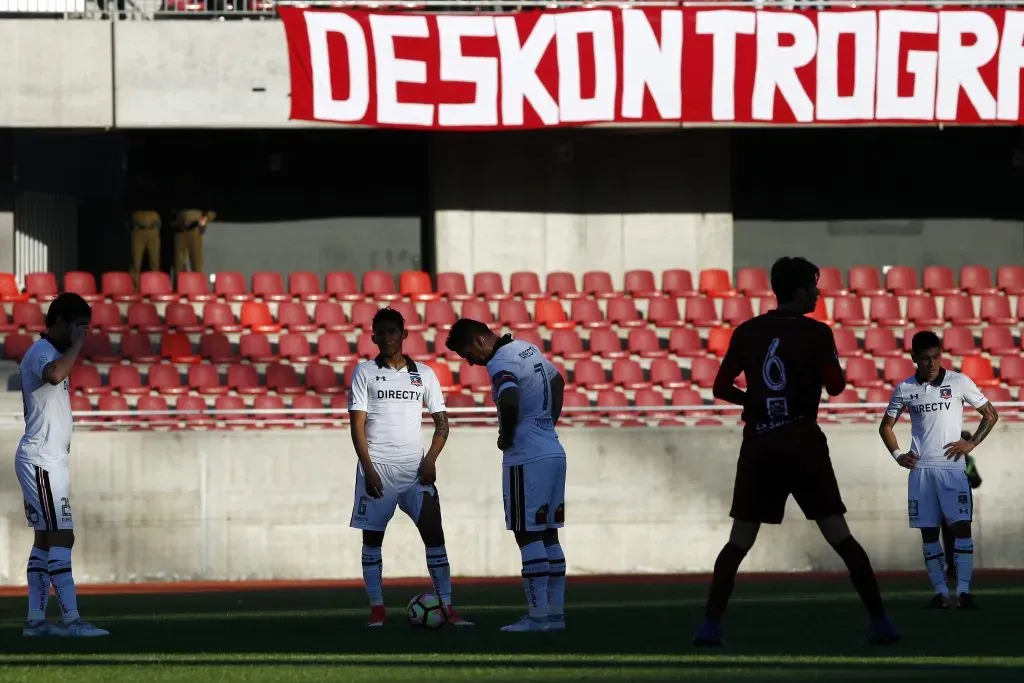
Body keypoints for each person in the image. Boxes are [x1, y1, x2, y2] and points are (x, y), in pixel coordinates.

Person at [693, 257, 900, 647]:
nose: (818, 292)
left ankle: (709, 626)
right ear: (800, 290)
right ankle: (881, 622)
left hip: (761, 446)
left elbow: (721, 386)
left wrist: (753, 402)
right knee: (840, 537)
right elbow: (836, 387)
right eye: (813, 285)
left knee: (739, 541)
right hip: (803, 445)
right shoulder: (817, 334)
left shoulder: (749, 330)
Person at [348, 307, 472, 628]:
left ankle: (446, 607)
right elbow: (357, 426)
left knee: (435, 535)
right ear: (373, 337)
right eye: (381, 332)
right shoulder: (364, 374)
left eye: (393, 332)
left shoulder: (425, 374)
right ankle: (377, 610)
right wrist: (368, 468)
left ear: (404, 335)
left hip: (415, 471)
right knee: (372, 542)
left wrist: (430, 459)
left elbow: (442, 423)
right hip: (378, 471)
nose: (388, 337)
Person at [445, 319, 567, 633]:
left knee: (526, 533)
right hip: (552, 448)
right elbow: (558, 382)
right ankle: (554, 616)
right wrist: (546, 422)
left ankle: (537, 617)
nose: (470, 361)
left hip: (525, 456)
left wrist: (506, 434)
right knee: (549, 532)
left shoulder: (499, 361)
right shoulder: (528, 348)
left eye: (467, 353)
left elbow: (510, 397)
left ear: (478, 340)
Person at [878, 331, 997, 610]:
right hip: (920, 472)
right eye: (925, 358)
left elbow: (990, 414)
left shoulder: (959, 381)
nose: (931, 363)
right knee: (929, 533)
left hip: (951, 469)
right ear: (914, 359)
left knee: (962, 529)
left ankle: (964, 592)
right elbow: (886, 426)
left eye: (936, 357)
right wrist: (898, 455)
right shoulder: (905, 388)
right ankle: (941, 593)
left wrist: (971, 443)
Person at [16, 293, 109, 637]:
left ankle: (36, 622)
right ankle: (71, 619)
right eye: (80, 325)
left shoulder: (52, 352)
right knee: (62, 535)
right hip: (42, 460)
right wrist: (77, 346)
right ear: (63, 322)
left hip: (48, 460)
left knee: (45, 539)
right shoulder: (43, 352)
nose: (82, 333)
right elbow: (54, 376)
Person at [942, 429, 983, 581]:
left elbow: (977, 480)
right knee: (948, 537)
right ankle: (951, 568)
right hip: (947, 502)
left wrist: (969, 478)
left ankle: (961, 568)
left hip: (963, 503)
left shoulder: (970, 461)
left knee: (962, 537)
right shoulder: (948, 458)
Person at [173, 209, 216, 274]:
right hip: (179, 229)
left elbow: (211, 212)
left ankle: (197, 283)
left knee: (196, 263)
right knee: (178, 264)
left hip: (195, 229)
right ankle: (178, 283)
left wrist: (204, 220)